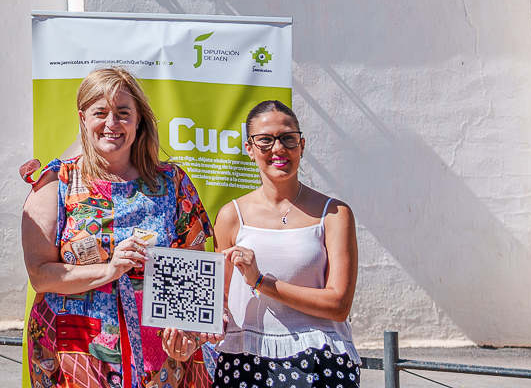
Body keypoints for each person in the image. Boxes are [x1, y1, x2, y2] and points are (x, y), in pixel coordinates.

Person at [21, 67, 214, 388]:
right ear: (83, 119)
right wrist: (109, 270)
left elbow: (193, 270)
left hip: (160, 354)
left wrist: (188, 334)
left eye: (123, 113)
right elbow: (40, 275)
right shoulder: (55, 184)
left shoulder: (172, 183)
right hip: (76, 353)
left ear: (138, 120)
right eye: (100, 113)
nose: (112, 123)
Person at [213, 100, 359, 388]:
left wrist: (260, 281)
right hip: (245, 362)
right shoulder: (231, 216)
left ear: (301, 145)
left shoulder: (334, 214)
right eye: (265, 140)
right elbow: (220, 301)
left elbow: (338, 305)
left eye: (287, 138)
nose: (278, 148)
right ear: (249, 149)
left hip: (321, 362)